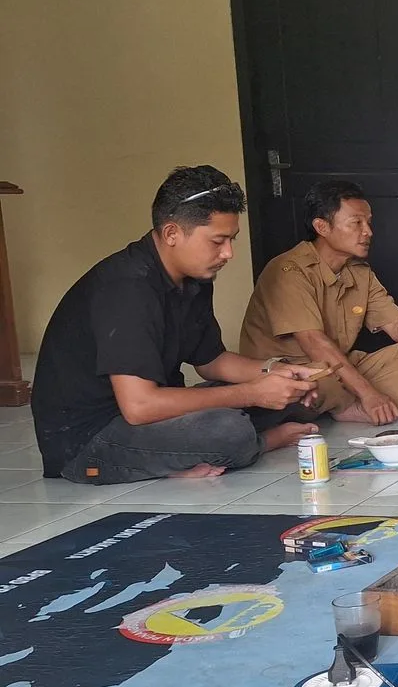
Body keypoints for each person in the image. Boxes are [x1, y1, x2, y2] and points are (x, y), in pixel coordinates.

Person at [31, 166, 321, 484]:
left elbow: (212, 361)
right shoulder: (127, 289)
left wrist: (276, 371)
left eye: (231, 240)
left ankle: (193, 454)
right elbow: (139, 406)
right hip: (89, 440)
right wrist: (252, 393)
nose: (228, 253)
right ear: (172, 234)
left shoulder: (195, 277)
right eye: (218, 241)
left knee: (287, 397)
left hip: (150, 414)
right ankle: (260, 443)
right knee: (229, 429)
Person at [240, 180, 398, 425]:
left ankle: (353, 404)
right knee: (324, 380)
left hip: (336, 366)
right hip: (293, 372)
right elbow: (314, 343)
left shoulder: (359, 272)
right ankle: (353, 404)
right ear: (322, 227)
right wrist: (369, 393)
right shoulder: (288, 271)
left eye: (368, 222)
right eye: (356, 223)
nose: (368, 232)